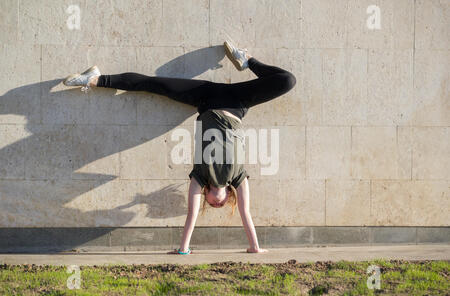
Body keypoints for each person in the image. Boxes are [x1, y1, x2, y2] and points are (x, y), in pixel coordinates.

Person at [63, 40, 296, 254]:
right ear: (227, 197)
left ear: (205, 194)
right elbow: (246, 214)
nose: (216, 202)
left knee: (151, 84)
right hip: (237, 103)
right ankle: (247, 61)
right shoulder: (239, 178)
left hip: (205, 100)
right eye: (221, 204)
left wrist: (183, 249)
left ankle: (94, 79)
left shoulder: (200, 178)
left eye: (211, 203)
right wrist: (255, 247)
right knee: (287, 80)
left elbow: (192, 215)